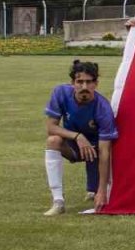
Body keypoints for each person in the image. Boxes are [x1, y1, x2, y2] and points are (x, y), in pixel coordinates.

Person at [42, 60, 117, 215]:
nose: (84, 87)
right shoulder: (61, 93)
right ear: (72, 83)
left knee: (99, 194)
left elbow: (105, 151)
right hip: (73, 146)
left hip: (95, 151)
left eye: (89, 82)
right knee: (53, 141)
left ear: (96, 84)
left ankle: (95, 189)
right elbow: (50, 127)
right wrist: (77, 136)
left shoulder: (103, 109)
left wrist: (102, 191)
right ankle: (58, 201)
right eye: (80, 81)